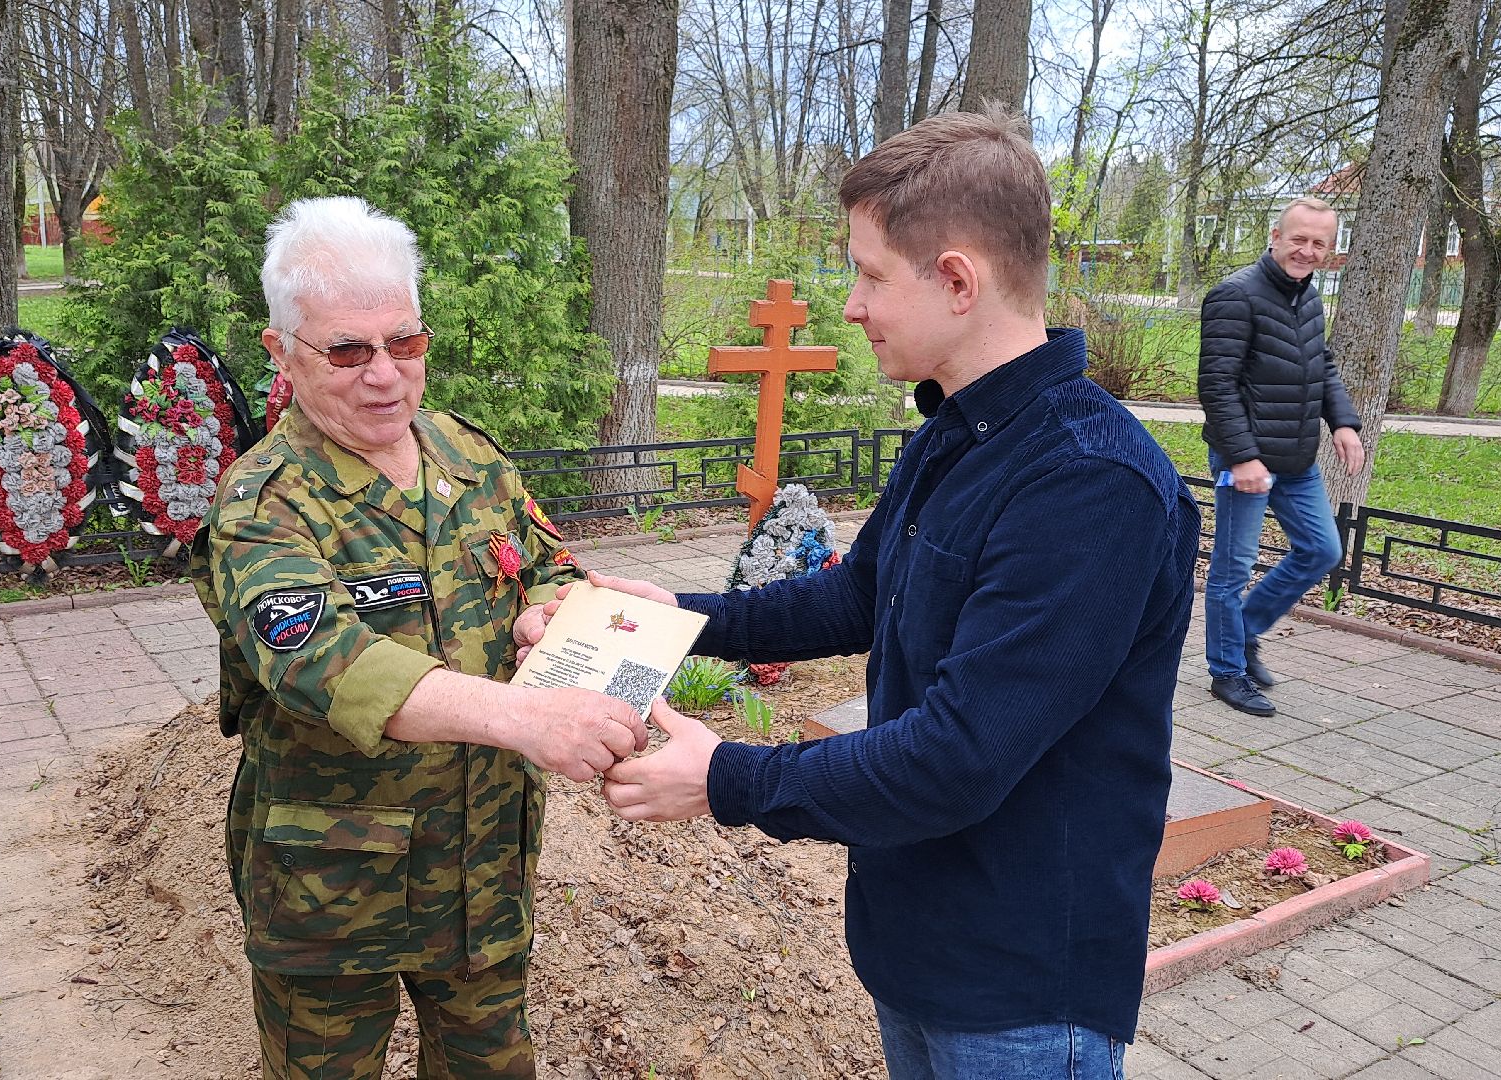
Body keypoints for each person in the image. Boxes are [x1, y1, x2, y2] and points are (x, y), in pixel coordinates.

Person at [534, 108, 1201, 1080]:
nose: (850, 304)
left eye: (870, 273)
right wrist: (677, 616)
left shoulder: (1089, 484)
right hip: (918, 941)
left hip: (1020, 989)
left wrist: (726, 779)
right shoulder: (957, 431)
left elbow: (959, 757)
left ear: (959, 280)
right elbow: (857, 598)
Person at [191, 195, 648, 1080]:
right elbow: (324, 664)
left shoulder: (467, 458)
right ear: (281, 353)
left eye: (404, 343)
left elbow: (546, 562)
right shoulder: (263, 504)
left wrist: (543, 612)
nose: (384, 376)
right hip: (333, 889)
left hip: (479, 866)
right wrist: (528, 720)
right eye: (348, 351)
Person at [1197, 196, 1364, 718]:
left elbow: (1323, 366)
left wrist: (1344, 422)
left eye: (1319, 243)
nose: (1307, 250)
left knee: (1321, 551)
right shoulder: (1234, 295)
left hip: (1295, 458)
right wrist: (1243, 458)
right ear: (1275, 236)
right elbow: (1216, 386)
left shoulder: (1308, 299)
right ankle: (1226, 672)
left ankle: (1243, 632)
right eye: (1299, 239)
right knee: (1232, 570)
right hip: (1243, 462)